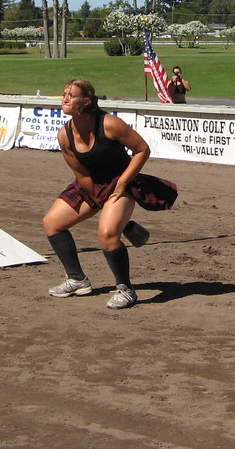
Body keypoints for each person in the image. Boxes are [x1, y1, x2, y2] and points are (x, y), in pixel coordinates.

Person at [43, 79, 178, 309]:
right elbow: (81, 173)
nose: (65, 99)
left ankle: (126, 289)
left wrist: (122, 183)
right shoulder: (64, 135)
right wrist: (99, 200)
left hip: (121, 180)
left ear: (86, 101)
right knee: (52, 223)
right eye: (64, 94)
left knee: (107, 233)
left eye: (71, 95)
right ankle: (76, 279)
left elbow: (142, 150)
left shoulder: (109, 123)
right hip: (91, 183)